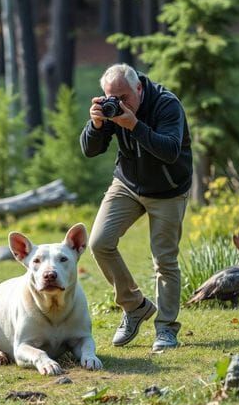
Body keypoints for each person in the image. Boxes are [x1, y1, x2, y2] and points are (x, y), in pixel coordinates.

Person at [81, 63, 193, 353]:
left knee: (164, 260)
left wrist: (134, 125)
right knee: (99, 243)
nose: (118, 103)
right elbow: (90, 151)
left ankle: (166, 329)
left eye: (124, 97)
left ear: (139, 89)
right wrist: (96, 126)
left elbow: (169, 150)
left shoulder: (166, 104)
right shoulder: (111, 108)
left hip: (168, 190)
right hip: (128, 184)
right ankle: (135, 307)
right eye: (111, 97)